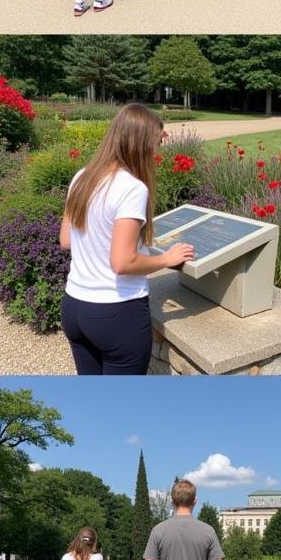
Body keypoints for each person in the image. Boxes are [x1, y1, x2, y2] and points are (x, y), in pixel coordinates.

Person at [59, 103, 195, 374]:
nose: (157, 152)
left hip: (74, 307)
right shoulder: (132, 188)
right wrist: (167, 259)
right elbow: (122, 262)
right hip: (116, 314)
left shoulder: (81, 177)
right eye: (156, 143)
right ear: (141, 144)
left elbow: (66, 240)